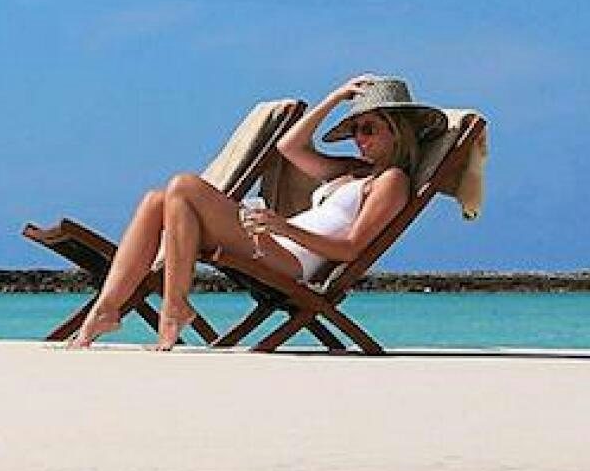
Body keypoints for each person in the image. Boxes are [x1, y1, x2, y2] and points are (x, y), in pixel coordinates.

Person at [68, 74, 446, 350]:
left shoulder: (391, 182)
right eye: (356, 131)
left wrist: (283, 227)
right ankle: (107, 309)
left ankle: (175, 307)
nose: (359, 139)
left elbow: (350, 248)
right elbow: (289, 146)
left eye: (369, 129)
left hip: (292, 262)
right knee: (157, 199)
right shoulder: (353, 172)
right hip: (273, 242)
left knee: (183, 185)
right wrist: (333, 98)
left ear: (397, 131)